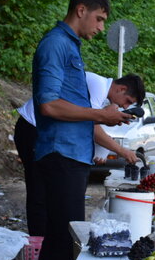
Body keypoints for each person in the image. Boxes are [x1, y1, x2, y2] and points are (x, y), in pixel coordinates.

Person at [32, 0, 133, 260]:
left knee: (61, 238)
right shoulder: (55, 45)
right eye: (99, 19)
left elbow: (73, 108)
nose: (101, 28)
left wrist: (103, 121)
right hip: (60, 152)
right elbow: (49, 105)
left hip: (73, 154)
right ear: (81, 11)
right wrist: (101, 114)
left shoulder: (69, 45)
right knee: (65, 240)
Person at [14, 72, 145, 236]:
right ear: (121, 89)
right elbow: (92, 125)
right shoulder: (98, 86)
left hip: (44, 130)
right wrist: (122, 151)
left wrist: (103, 149)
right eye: (127, 101)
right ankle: (38, 241)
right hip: (33, 127)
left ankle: (45, 237)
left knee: (46, 191)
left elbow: (87, 122)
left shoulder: (103, 94)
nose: (125, 107)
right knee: (38, 190)